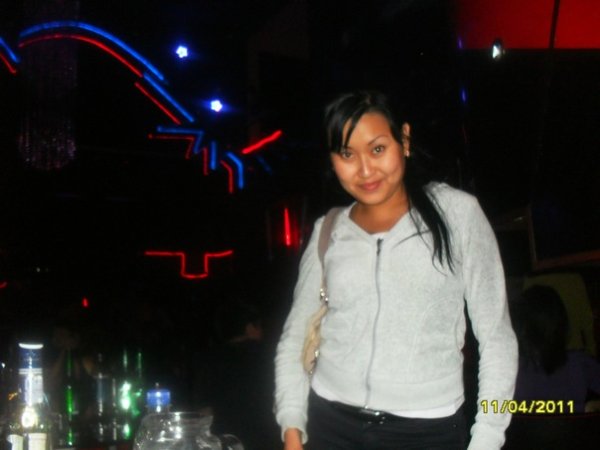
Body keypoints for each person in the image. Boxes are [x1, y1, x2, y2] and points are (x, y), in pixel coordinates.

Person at [274, 90, 518, 450]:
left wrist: (488, 438)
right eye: (347, 154)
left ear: (403, 140)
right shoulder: (329, 230)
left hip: (427, 431)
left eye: (377, 149)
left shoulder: (458, 215)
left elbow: (497, 337)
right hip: (329, 424)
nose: (365, 170)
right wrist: (292, 424)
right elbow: (296, 333)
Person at [512, 285, 600, 413]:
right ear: (562, 323)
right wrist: (586, 408)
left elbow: (492, 408)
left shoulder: (504, 369)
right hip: (573, 426)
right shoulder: (580, 364)